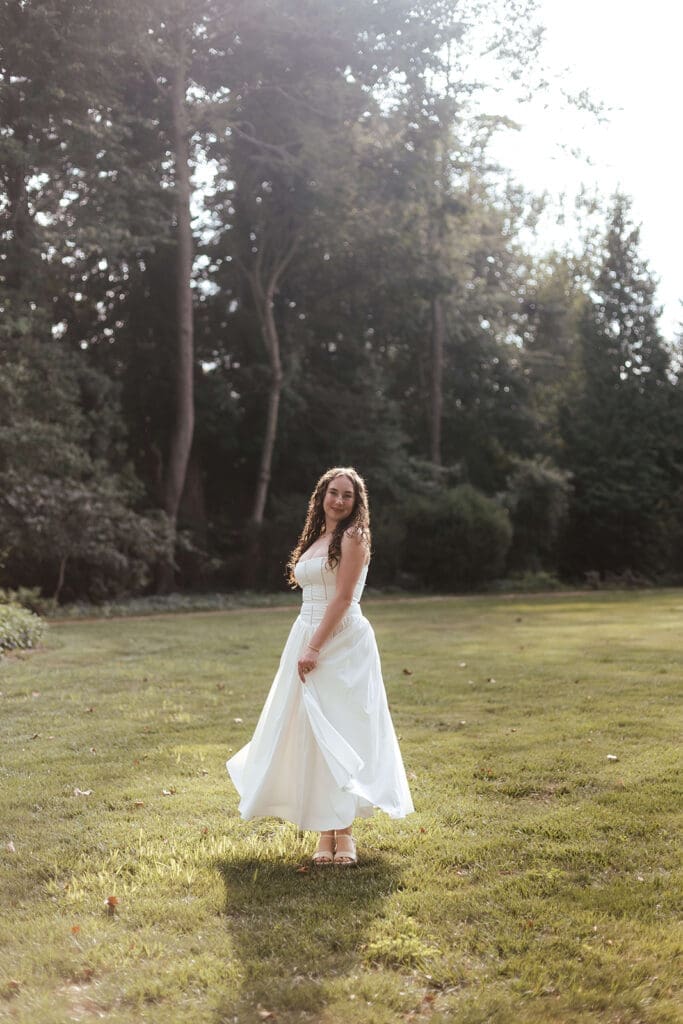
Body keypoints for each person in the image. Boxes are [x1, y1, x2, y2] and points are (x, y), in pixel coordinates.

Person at [226, 467, 414, 866]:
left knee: (340, 730)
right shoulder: (317, 538)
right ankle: (324, 829)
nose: (340, 501)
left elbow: (344, 597)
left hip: (340, 641)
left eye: (348, 495)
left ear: (357, 502)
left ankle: (343, 833)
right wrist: (305, 642)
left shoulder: (354, 536)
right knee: (311, 731)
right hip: (306, 633)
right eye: (334, 493)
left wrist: (314, 647)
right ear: (322, 496)